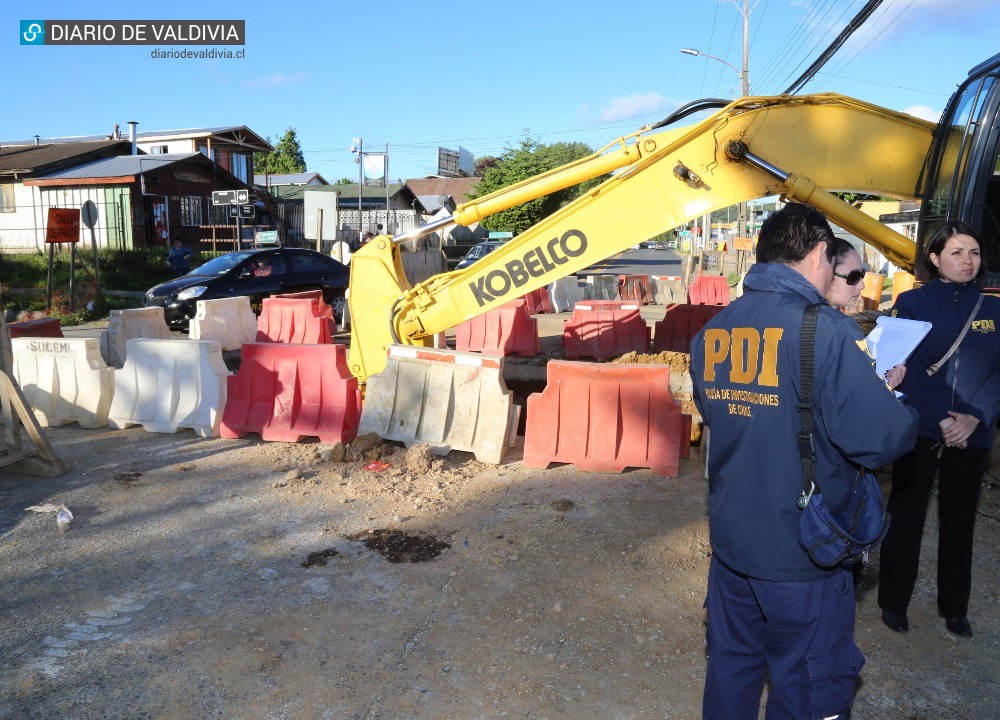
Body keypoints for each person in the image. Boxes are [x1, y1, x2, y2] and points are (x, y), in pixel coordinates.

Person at [690, 203, 918, 720]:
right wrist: (888, 400)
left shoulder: (715, 329)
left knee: (732, 667)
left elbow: (717, 414)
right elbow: (882, 440)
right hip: (801, 551)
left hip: (732, 542)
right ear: (819, 253)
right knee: (807, 684)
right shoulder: (827, 332)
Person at [877, 221, 1000, 639]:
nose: (968, 261)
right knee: (906, 513)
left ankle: (955, 607)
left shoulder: (994, 308)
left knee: (959, 518)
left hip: (974, 431)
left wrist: (974, 416)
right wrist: (944, 418)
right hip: (923, 427)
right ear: (934, 258)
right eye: (957, 252)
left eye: (974, 253)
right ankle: (894, 601)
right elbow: (902, 369)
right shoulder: (912, 303)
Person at [827, 237, 906, 388]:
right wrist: (884, 389)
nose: (862, 285)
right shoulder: (830, 329)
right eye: (853, 277)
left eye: (862, 275)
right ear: (825, 273)